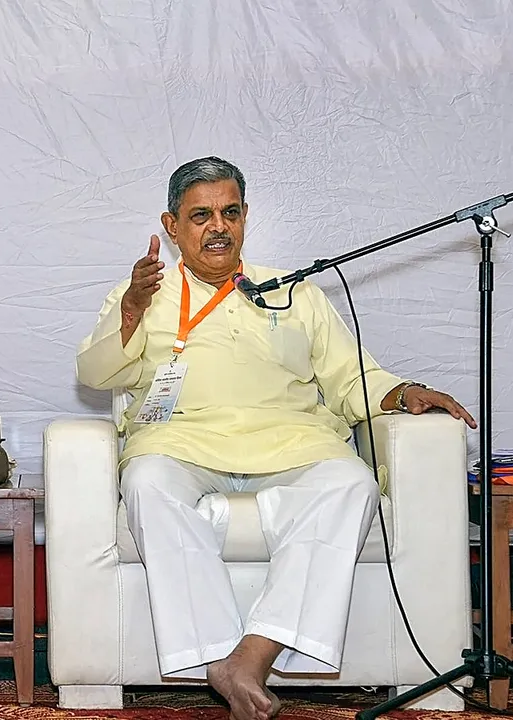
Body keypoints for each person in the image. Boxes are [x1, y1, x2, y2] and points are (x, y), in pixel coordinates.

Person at [75, 156, 475, 720]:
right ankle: (218, 656)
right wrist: (133, 311)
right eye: (200, 216)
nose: (218, 226)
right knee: (146, 481)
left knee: (352, 481)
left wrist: (402, 391)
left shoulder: (292, 292)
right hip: (181, 443)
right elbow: (96, 374)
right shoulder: (143, 292)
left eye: (229, 213)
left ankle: (250, 657)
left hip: (291, 442)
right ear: (171, 226)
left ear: (245, 218)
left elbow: (350, 377)